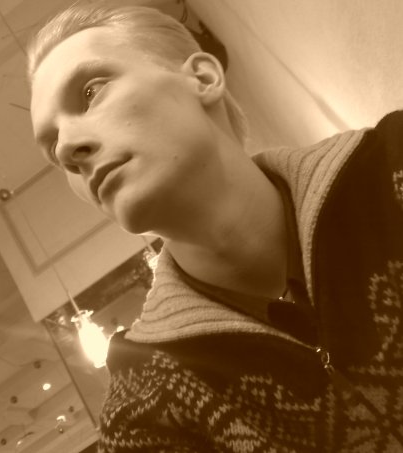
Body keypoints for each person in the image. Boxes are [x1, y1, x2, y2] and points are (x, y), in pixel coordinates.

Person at [27, 3, 403, 452]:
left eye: (90, 92)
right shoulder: (141, 415)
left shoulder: (392, 168)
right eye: (53, 148)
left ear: (203, 78)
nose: (67, 149)